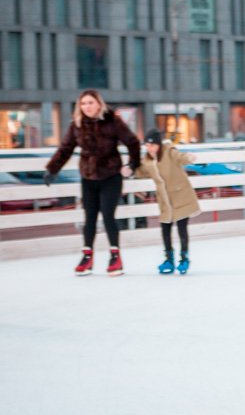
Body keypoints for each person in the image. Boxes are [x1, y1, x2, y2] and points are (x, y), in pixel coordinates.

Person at [44, 89, 141, 276]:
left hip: (111, 176)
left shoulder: (112, 121)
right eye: (83, 103)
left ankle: (115, 256)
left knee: (107, 216)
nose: (86, 107)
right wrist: (52, 169)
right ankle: (87, 256)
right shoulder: (77, 125)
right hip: (88, 178)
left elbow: (133, 142)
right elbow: (65, 149)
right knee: (89, 218)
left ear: (98, 103)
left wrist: (132, 164)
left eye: (90, 102)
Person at [134, 128, 200, 275]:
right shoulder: (148, 161)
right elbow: (141, 172)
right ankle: (169, 259)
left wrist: (189, 157)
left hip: (181, 197)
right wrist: (130, 168)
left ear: (158, 144)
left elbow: (180, 157)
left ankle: (184, 259)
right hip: (165, 202)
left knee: (182, 228)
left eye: (152, 145)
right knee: (165, 230)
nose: (149, 148)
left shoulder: (169, 152)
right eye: (147, 145)